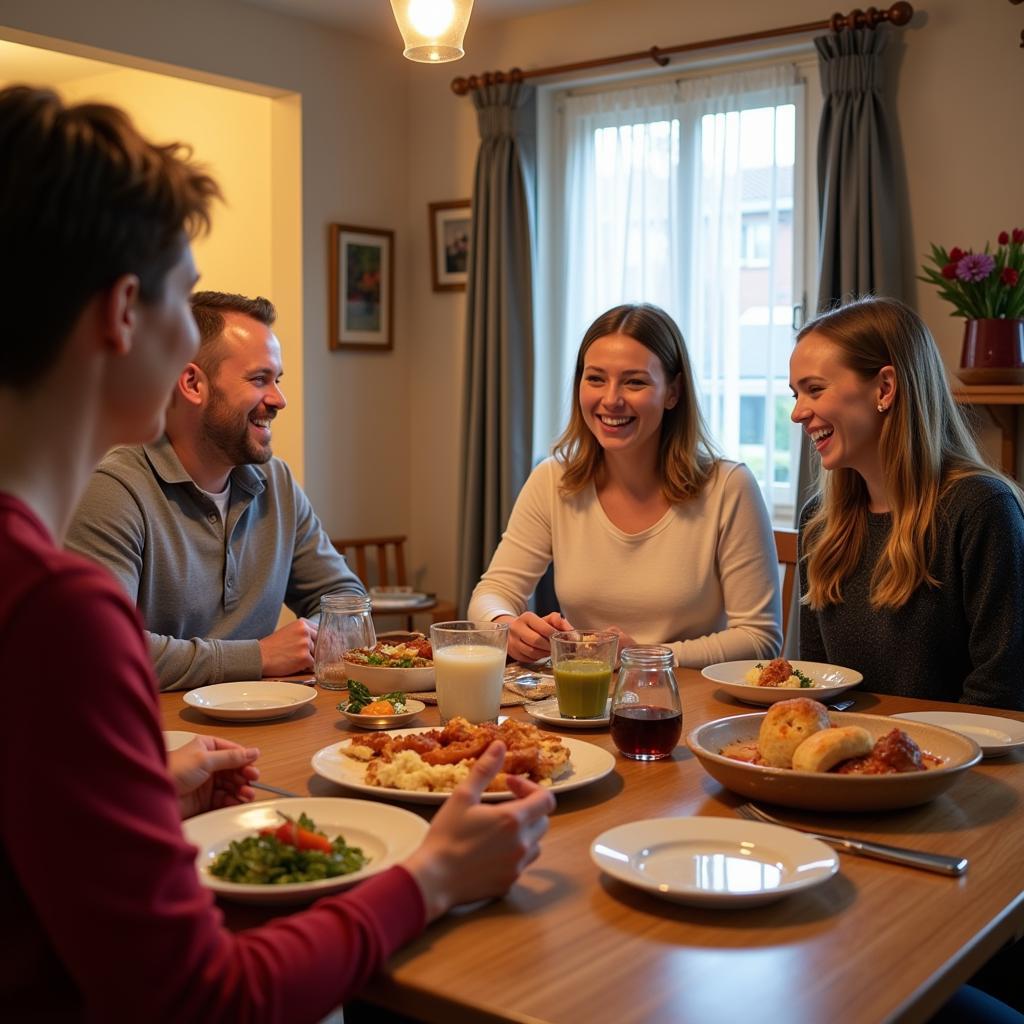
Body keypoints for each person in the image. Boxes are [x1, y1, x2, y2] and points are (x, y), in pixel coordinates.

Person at [0, 84, 553, 1021]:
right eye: (181, 299)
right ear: (122, 312)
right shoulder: (55, 612)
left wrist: (142, 783)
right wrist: (431, 875)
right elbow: (205, 998)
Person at [66, 289, 365, 691]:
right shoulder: (113, 489)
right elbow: (97, 649)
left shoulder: (276, 483)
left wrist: (312, 638)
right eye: (260, 379)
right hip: (159, 738)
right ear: (191, 383)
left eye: (277, 379)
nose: (279, 399)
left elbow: (346, 599)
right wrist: (257, 656)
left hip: (265, 720)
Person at [468, 302, 782, 665]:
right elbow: (491, 593)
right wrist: (506, 626)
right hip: (586, 698)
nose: (611, 400)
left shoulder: (729, 486)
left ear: (673, 392)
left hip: (688, 705)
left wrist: (644, 656)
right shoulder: (553, 478)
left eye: (635, 382)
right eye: (596, 378)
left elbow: (760, 639)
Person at [790, 296, 1024, 710]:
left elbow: (1000, 691)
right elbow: (816, 689)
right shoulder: (819, 523)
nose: (797, 413)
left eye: (814, 390)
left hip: (955, 766)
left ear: (885, 387)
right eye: (796, 394)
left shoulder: (982, 508)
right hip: (849, 764)